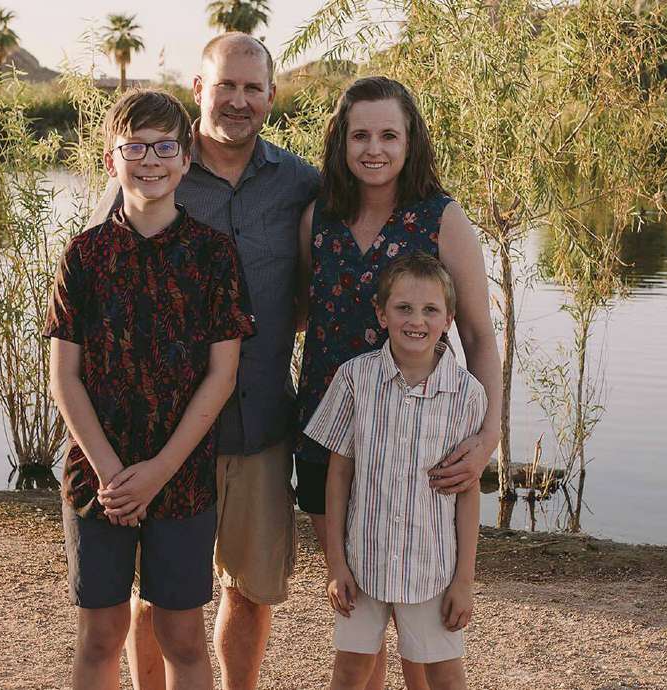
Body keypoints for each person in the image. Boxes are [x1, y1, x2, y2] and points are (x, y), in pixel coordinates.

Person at [90, 33, 321, 690]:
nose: (239, 101)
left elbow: (313, 288)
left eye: (253, 88)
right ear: (199, 89)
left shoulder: (301, 184)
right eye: (226, 85)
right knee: (158, 594)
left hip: (260, 429)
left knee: (250, 591)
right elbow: (94, 294)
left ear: (272, 96)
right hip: (165, 436)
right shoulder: (158, 168)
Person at [294, 76, 503, 689]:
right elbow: (302, 314)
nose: (374, 148)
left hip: (421, 442)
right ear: (340, 142)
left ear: (411, 141)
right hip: (333, 436)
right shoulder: (319, 219)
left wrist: (488, 434)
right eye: (360, 134)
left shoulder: (442, 219)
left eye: (389, 134)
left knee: (422, 636)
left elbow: (480, 337)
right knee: (358, 600)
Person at [45, 89, 255, 690]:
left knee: (182, 636)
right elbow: (64, 375)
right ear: (111, 161)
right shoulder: (84, 255)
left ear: (186, 160)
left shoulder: (214, 256)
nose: (150, 160)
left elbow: (223, 376)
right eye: (133, 147)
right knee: (101, 635)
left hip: (182, 475)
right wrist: (112, 473)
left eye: (165, 146)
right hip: (96, 476)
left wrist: (160, 470)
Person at [306, 253, 484, 690]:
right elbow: (338, 476)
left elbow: (468, 492)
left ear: (449, 319)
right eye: (403, 308)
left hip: (432, 568)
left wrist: (464, 580)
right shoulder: (354, 380)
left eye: (430, 310)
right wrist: (336, 565)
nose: (416, 321)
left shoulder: (466, 395)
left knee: (442, 675)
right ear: (381, 314)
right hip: (362, 561)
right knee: (350, 671)